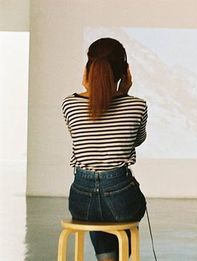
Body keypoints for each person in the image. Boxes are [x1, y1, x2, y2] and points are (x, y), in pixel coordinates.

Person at [62, 38, 147, 261]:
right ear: (124, 72)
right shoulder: (137, 105)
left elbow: (82, 140)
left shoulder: (69, 104)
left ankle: (106, 257)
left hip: (81, 200)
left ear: (88, 69)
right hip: (121, 196)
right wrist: (125, 95)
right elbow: (137, 141)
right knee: (121, 210)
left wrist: (90, 87)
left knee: (97, 214)